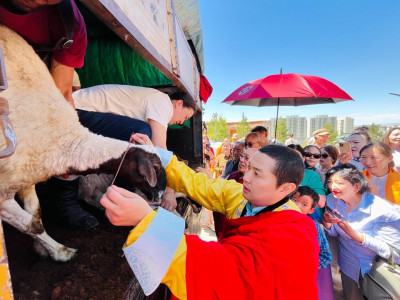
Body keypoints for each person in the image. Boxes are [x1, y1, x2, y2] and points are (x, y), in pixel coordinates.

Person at [101, 137, 320, 299]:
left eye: (257, 173)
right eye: (249, 168)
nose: (246, 177)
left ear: (286, 188)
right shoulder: (242, 195)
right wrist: (158, 155)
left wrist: (147, 220)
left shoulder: (295, 233)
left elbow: (225, 272)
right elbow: (201, 185)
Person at [322, 164, 400, 300]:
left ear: (356, 186)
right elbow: (334, 233)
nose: (333, 187)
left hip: (378, 268)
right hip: (349, 265)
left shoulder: (382, 210)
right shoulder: (331, 201)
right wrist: (328, 222)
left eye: (339, 183)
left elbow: (394, 251)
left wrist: (358, 237)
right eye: (330, 182)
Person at [73, 85, 196, 149]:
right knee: (142, 134)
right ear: (179, 104)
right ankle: (122, 191)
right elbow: (160, 148)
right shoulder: (163, 102)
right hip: (77, 111)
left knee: (143, 135)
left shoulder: (158, 99)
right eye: (185, 117)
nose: (181, 122)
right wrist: (169, 189)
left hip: (82, 111)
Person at [292, 186, 333, 300]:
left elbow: (325, 257)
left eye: (304, 204)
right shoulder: (276, 218)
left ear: (311, 210)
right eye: (294, 200)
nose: (297, 206)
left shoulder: (313, 227)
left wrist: (304, 267)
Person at [287, 144, 326, 222]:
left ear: (303, 159)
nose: (293, 160)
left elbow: (321, 203)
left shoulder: (311, 175)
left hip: (306, 218)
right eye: (288, 157)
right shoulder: (275, 174)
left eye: (297, 157)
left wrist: (298, 187)